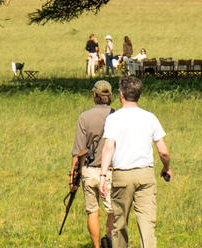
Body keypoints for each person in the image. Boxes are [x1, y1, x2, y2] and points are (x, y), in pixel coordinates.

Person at [99, 76, 171, 248]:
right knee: (147, 223)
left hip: (122, 174)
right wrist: (166, 167)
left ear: (121, 95)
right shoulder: (150, 117)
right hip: (145, 174)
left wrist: (102, 174)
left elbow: (108, 147)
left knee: (120, 222)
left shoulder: (114, 118)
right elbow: (163, 151)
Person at [70, 80, 116, 248]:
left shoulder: (84, 116)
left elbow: (78, 151)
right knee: (112, 210)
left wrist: (73, 176)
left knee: (92, 211)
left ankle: (97, 246)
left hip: (89, 170)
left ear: (95, 95)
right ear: (109, 96)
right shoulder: (115, 115)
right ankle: (109, 239)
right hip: (110, 170)